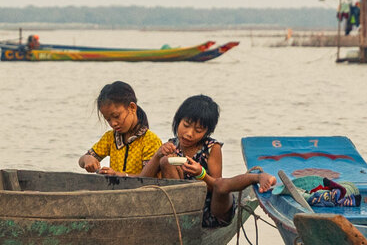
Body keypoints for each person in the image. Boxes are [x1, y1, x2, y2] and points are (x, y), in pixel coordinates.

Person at [141, 94, 276, 227]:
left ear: (207, 132)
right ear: (178, 120)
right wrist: (158, 155)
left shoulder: (212, 148)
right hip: (183, 211)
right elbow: (142, 181)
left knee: (222, 185)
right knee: (165, 161)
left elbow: (216, 188)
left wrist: (201, 174)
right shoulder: (171, 145)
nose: (189, 133)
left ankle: (257, 177)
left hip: (212, 210)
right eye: (186, 125)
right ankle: (183, 219)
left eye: (198, 130)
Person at [78, 81, 162, 176]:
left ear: (132, 107)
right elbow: (81, 161)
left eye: (116, 116)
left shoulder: (150, 140)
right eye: (108, 119)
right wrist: (87, 159)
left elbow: (149, 176)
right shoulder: (110, 138)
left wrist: (119, 175)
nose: (113, 123)